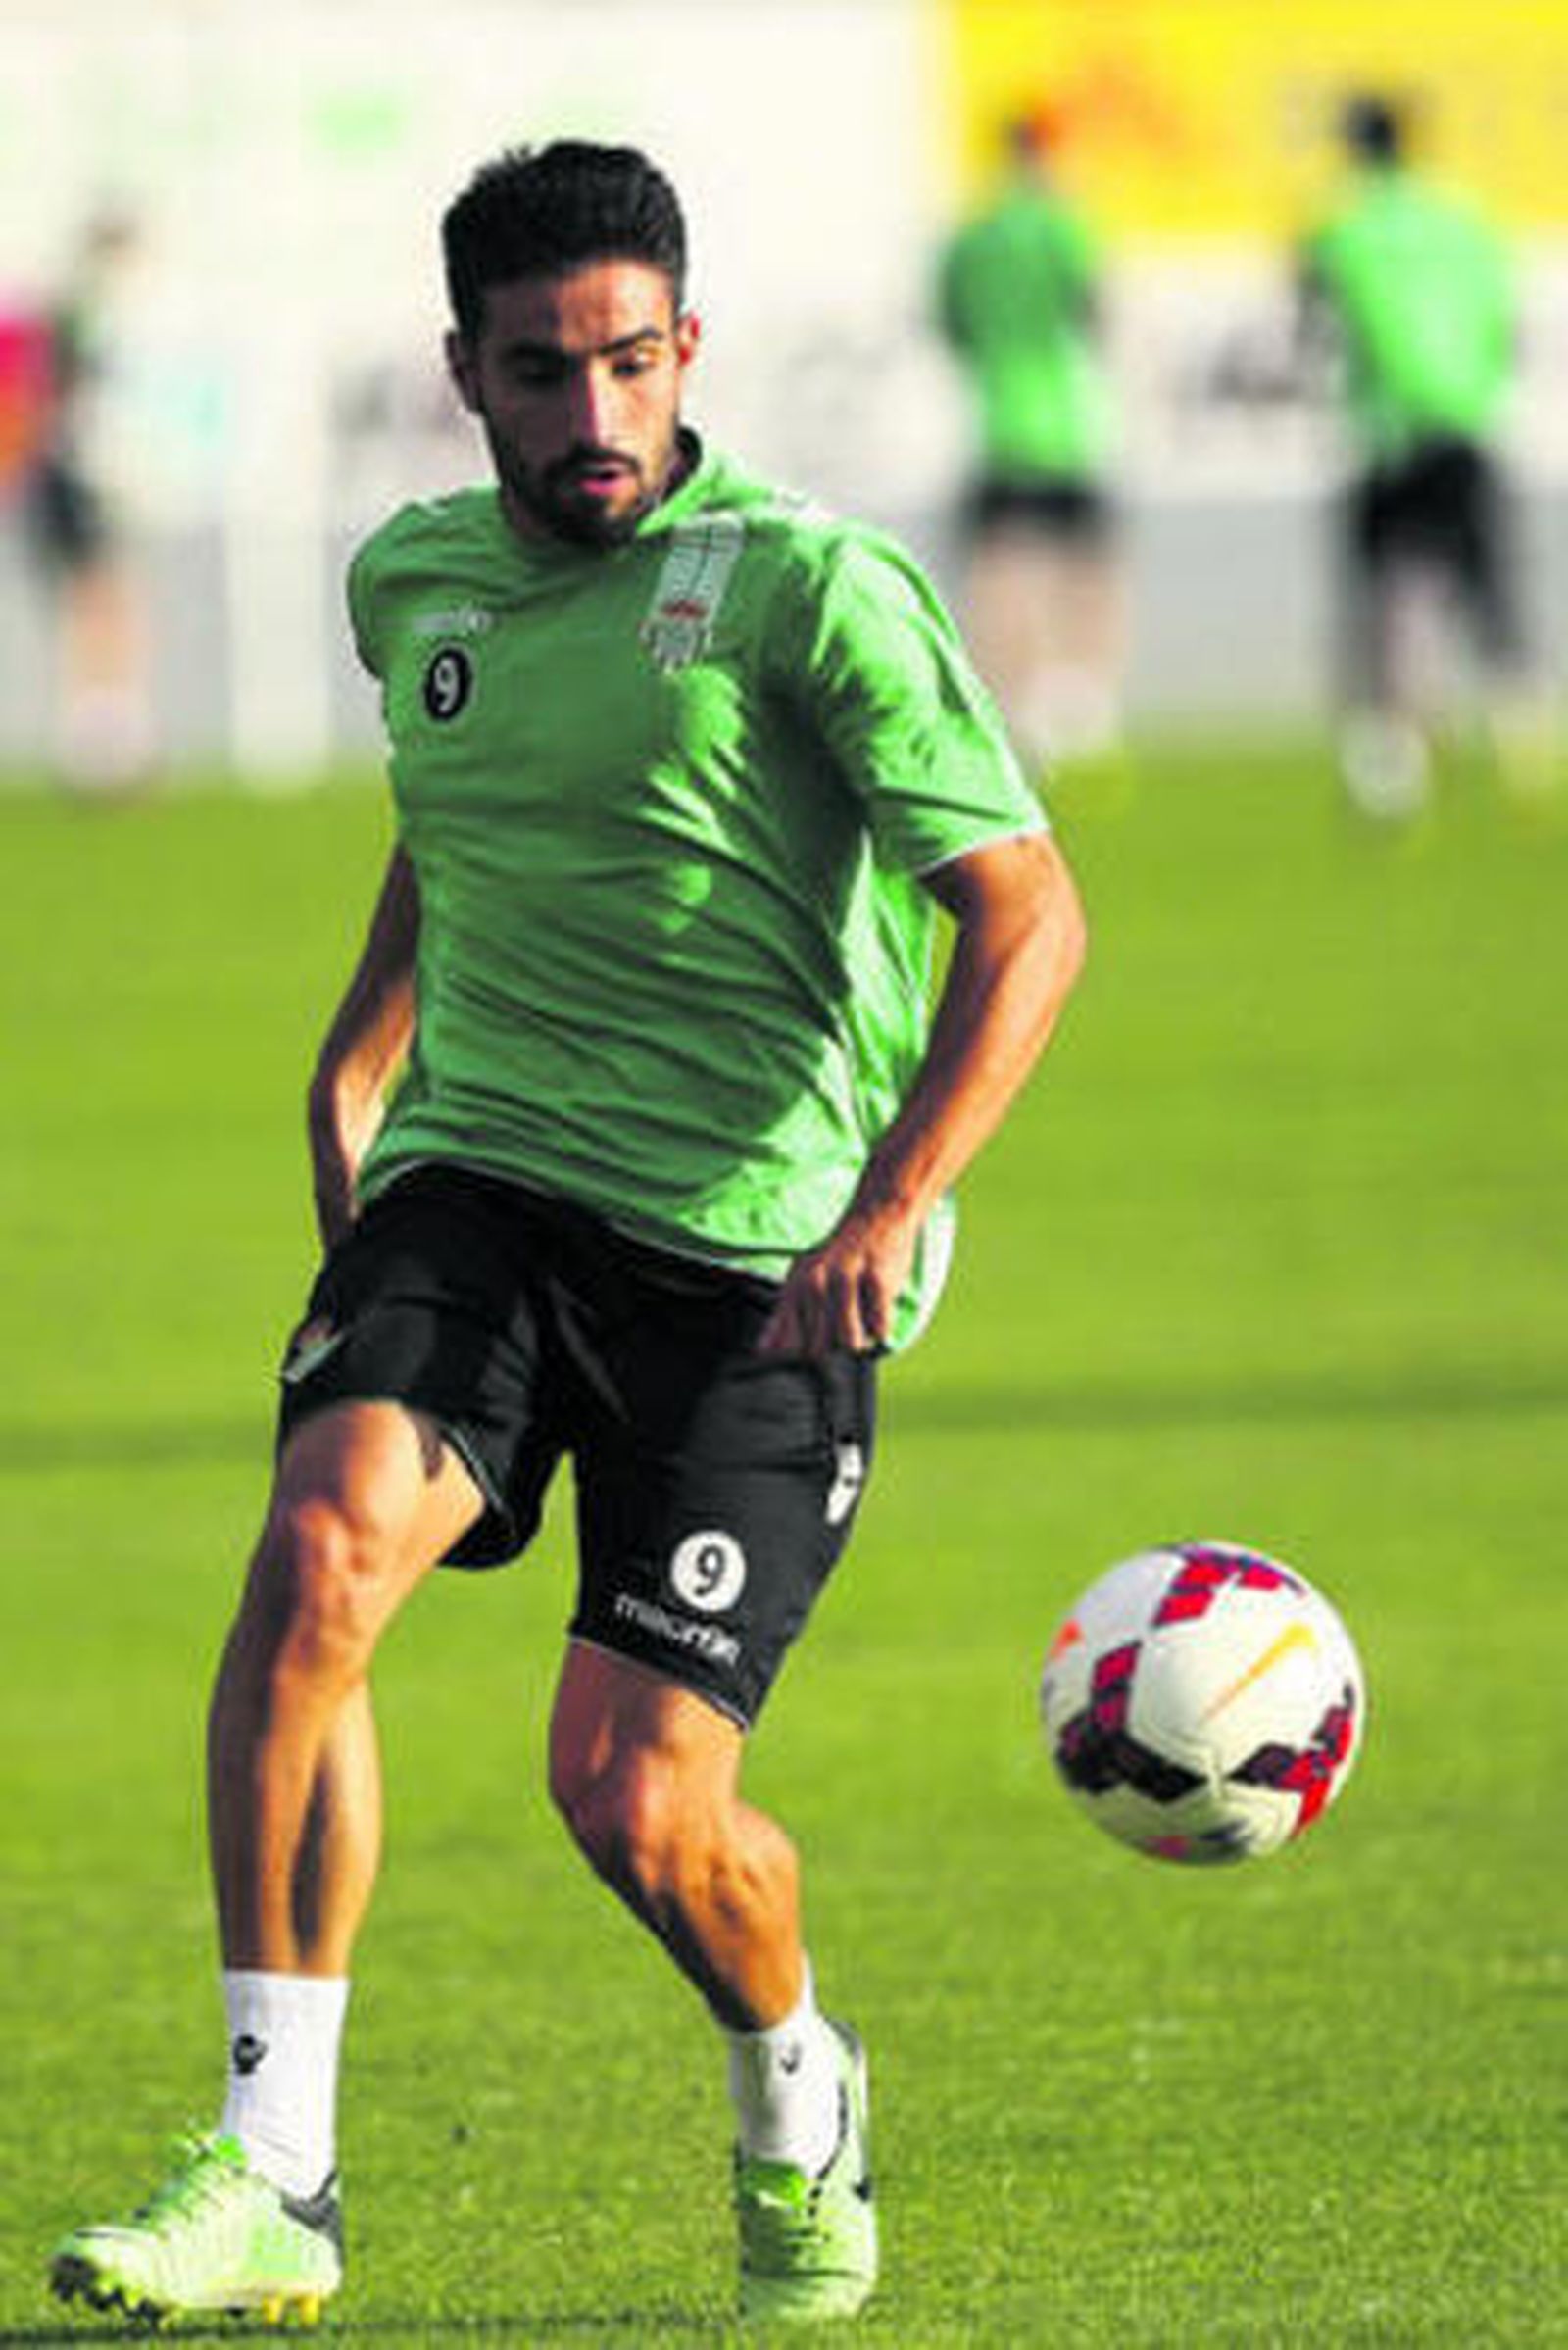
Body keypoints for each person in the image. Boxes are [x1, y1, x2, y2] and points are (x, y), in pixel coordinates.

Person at [49, 141, 1085, 2329]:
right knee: (318, 1554)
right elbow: (477, 814)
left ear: (688, 349)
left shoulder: (810, 587)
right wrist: (363, 1037)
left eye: (630, 361)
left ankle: (798, 2081)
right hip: (487, 1178)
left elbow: (1027, 913)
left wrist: (892, 1197)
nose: (593, 413)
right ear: (465, 377)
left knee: (632, 1801)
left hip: (759, 1253)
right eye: (543, 371)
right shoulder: (409, 581)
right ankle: (276, 2167)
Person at [1299, 93, 1540, 818]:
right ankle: (1519, 730)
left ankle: (1397, 751)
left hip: (1390, 428)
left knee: (1390, 590)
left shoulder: (1346, 224)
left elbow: (1314, 312)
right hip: (1464, 416)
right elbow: (1504, 321)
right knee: (1484, 577)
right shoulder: (1460, 220)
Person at [936, 107, 1121, 771]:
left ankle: (1017, 700)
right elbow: (1096, 308)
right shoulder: (1064, 227)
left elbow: (950, 323)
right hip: (1066, 421)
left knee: (1001, 569)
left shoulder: (973, 236)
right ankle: (1082, 699)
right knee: (1087, 566)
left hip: (1000, 420)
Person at [22, 206, 159, 796]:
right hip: (65, 471)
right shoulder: (80, 311)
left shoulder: (75, 308)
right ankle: (102, 743)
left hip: (62, 470)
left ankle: (103, 738)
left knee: (99, 604)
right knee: (99, 603)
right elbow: (54, 397)